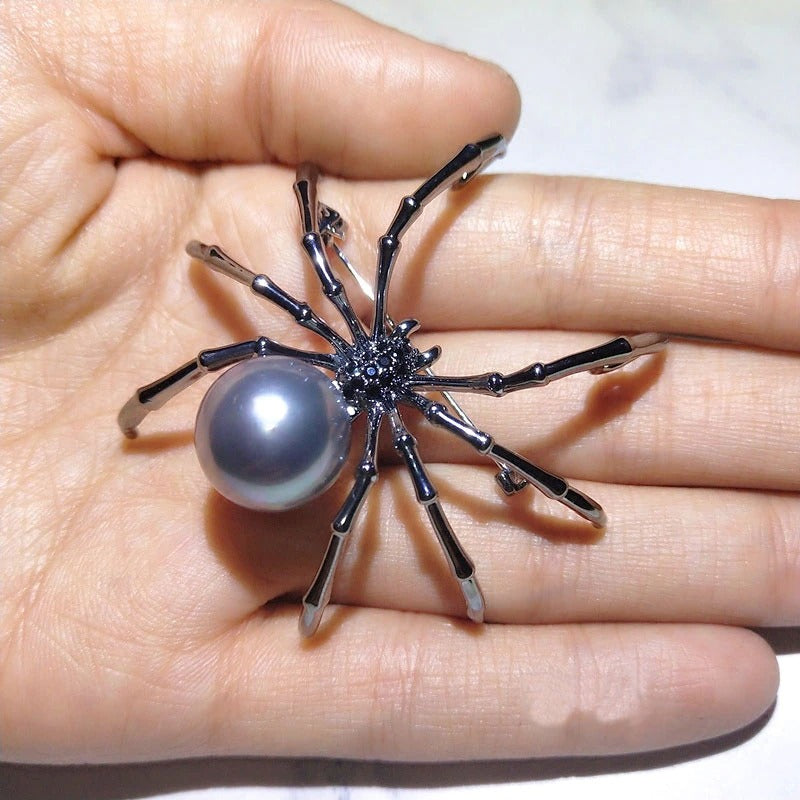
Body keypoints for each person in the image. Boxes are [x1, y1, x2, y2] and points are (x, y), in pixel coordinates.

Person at [0, 0, 796, 764]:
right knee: (452, 437)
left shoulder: (338, 336)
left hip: (297, 396)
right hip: (307, 415)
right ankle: (403, 562)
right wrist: (548, 498)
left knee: (263, 340)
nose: (409, 344)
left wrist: (294, 213)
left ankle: (154, 414)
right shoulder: (398, 403)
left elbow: (319, 252)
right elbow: (488, 389)